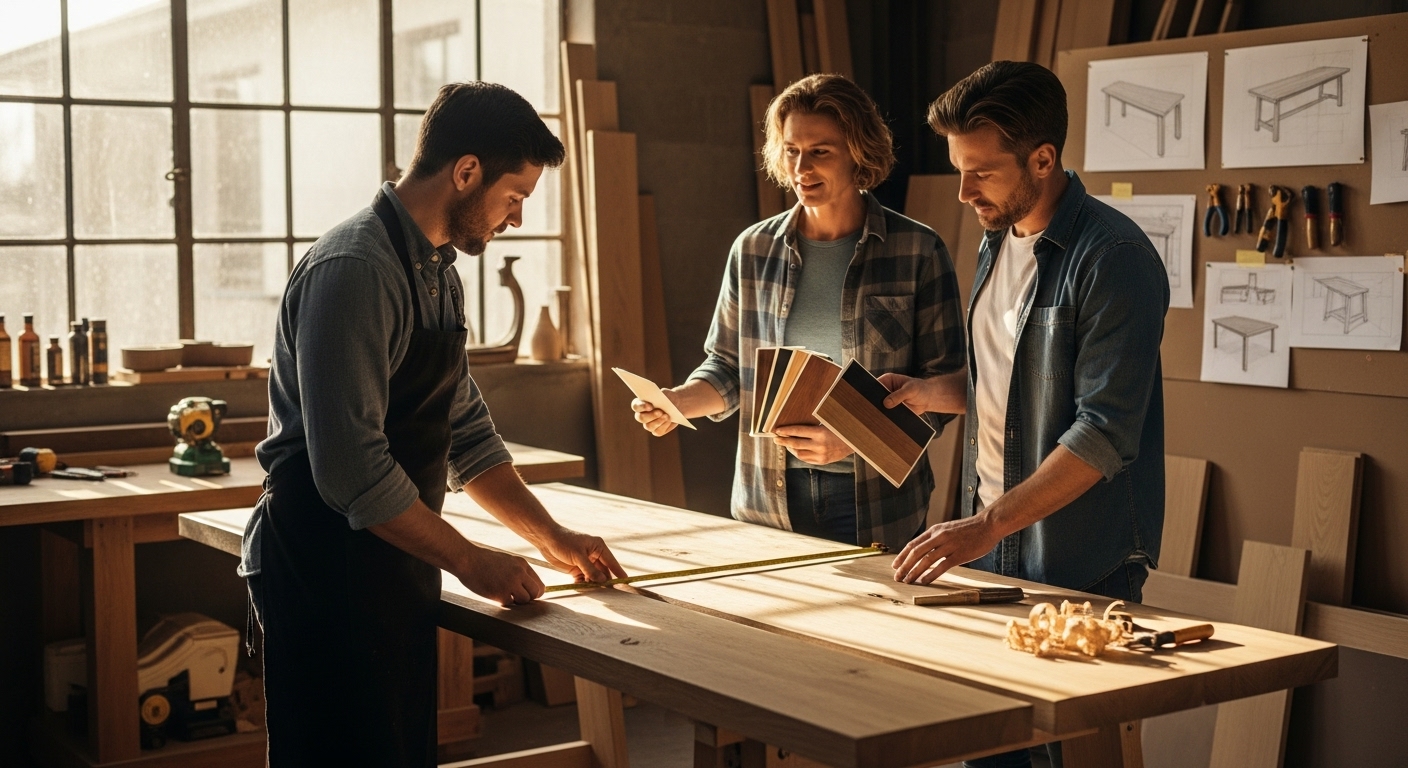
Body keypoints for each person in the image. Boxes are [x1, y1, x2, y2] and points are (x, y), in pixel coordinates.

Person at [238, 82, 627, 768]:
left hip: (394, 565)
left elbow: (467, 433)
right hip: (325, 571)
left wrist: (553, 538)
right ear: (466, 172)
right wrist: (473, 560)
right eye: (514, 198)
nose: (513, 219)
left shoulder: (438, 270)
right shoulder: (355, 269)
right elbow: (353, 471)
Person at [881, 61, 1169, 768]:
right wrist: (925, 391)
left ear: (1043, 159)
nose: (963, 190)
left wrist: (983, 526)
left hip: (1079, 561)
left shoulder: (1114, 258)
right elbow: (1010, 386)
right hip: (995, 548)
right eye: (957, 168)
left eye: (982, 171)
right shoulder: (997, 238)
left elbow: (1102, 435)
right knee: (994, 755)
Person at [631, 74, 966, 550]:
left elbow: (944, 390)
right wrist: (679, 402)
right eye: (791, 151)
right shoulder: (752, 250)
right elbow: (729, 367)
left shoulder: (918, 251)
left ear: (859, 153)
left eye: (821, 151)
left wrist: (852, 441)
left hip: (874, 504)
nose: (801, 168)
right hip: (767, 498)